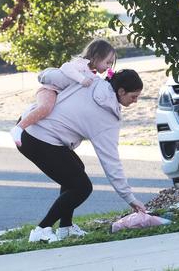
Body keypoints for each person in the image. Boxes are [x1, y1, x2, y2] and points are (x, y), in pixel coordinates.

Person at [16, 69, 147, 243]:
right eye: (133, 96)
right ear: (121, 91)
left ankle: (66, 228)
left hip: (29, 125)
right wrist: (129, 198)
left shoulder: (90, 81)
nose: (135, 101)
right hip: (38, 138)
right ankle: (41, 229)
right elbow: (111, 162)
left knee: (76, 172)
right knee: (81, 187)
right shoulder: (106, 118)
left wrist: (44, 77)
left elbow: (58, 75)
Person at [9, 38, 117, 147]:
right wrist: (81, 79)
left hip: (58, 93)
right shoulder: (82, 64)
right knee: (46, 107)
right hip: (50, 89)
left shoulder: (92, 73)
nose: (109, 66)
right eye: (107, 62)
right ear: (96, 57)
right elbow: (66, 67)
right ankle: (19, 128)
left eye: (111, 64)